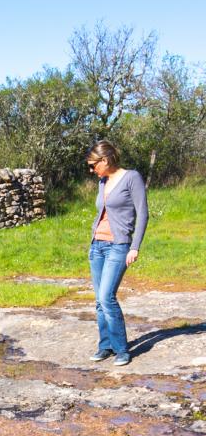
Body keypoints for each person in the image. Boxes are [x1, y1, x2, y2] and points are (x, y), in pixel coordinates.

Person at [86, 141, 149, 366]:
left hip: (118, 246)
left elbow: (142, 214)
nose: (92, 171)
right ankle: (105, 346)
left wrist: (135, 246)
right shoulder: (103, 181)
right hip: (97, 246)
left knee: (106, 297)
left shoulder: (132, 178)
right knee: (99, 301)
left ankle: (122, 349)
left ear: (104, 160)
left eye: (93, 166)